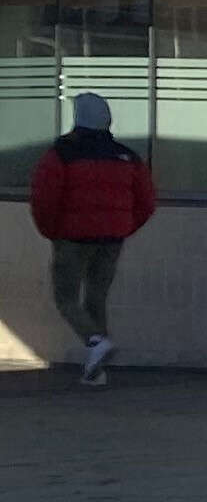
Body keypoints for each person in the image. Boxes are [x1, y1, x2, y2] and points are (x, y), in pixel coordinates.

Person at [30, 90, 156, 387]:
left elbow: (44, 198)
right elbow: (147, 201)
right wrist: (124, 227)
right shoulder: (127, 156)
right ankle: (95, 369)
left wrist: (52, 231)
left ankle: (95, 342)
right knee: (96, 298)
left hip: (72, 238)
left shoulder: (61, 154)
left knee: (66, 298)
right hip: (111, 239)